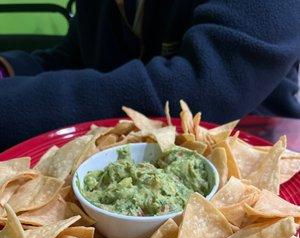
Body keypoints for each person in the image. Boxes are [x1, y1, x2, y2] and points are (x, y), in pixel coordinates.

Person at [0, 0, 299, 150]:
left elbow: (199, 88)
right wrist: (8, 70)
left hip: (253, 159)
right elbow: (76, 56)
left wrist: (10, 104)